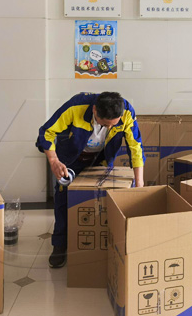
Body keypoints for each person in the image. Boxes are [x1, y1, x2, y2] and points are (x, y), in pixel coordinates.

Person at [36, 91, 145, 269]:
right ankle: (60, 245)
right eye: (104, 124)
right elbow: (46, 132)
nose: (108, 128)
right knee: (63, 199)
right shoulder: (75, 106)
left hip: (101, 158)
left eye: (113, 125)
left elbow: (135, 146)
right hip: (71, 159)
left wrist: (139, 184)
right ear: (94, 110)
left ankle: (99, 241)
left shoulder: (127, 112)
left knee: (99, 198)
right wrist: (54, 161)